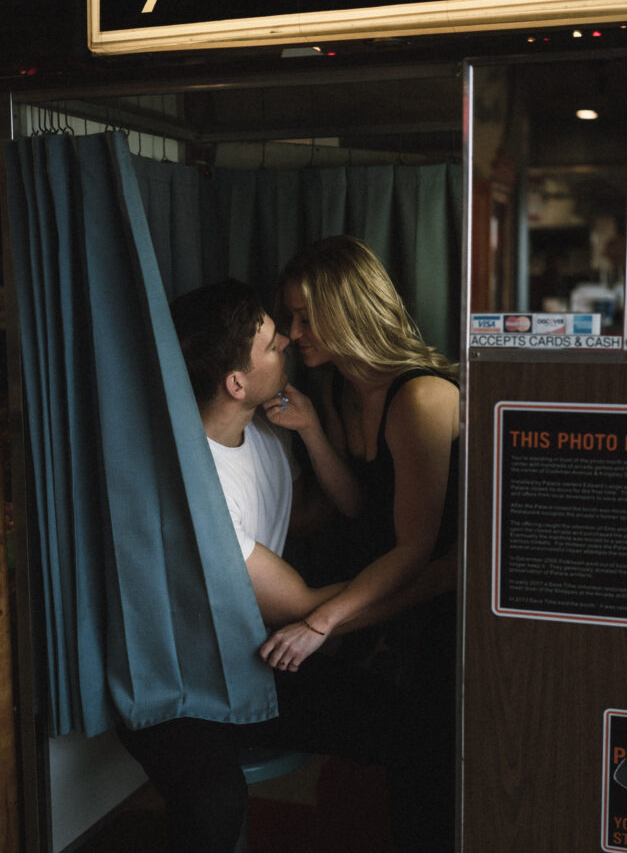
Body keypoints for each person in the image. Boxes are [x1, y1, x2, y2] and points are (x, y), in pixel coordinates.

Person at [116, 278, 451, 853]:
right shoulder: (199, 487)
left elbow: (301, 518)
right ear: (236, 382)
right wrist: (433, 578)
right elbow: (298, 604)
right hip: (175, 680)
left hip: (243, 658)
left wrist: (319, 435)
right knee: (215, 807)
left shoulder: (264, 431)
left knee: (410, 730)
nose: (289, 347)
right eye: (272, 344)